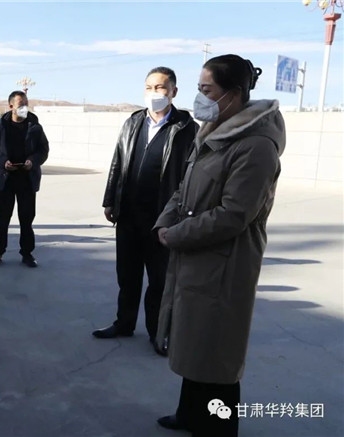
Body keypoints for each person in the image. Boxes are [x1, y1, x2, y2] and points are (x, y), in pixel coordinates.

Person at [154, 54, 285, 437]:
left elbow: (233, 215)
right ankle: (189, 414)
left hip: (226, 263)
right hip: (197, 256)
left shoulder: (256, 146)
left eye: (206, 89)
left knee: (217, 355)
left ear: (234, 94)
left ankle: (217, 428)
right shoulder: (213, 131)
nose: (200, 97)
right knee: (195, 343)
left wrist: (177, 235)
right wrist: (165, 221)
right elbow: (184, 188)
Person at [92, 67, 198, 356]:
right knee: (127, 275)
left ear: (174, 91)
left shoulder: (186, 128)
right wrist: (110, 200)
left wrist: (179, 216)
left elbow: (191, 176)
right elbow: (118, 161)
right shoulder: (133, 122)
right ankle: (124, 323)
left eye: (160, 88)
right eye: (149, 87)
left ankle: (157, 332)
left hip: (161, 218)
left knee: (159, 281)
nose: (154, 93)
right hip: (128, 213)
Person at [0, 90, 49, 268]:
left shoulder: (35, 127)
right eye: (21, 104)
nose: (24, 107)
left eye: (26, 104)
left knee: (26, 219)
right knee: (3, 218)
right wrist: (3, 162)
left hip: (27, 179)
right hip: (5, 179)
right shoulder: (1, 126)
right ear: (11, 106)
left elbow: (43, 150)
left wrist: (33, 161)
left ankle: (27, 253)